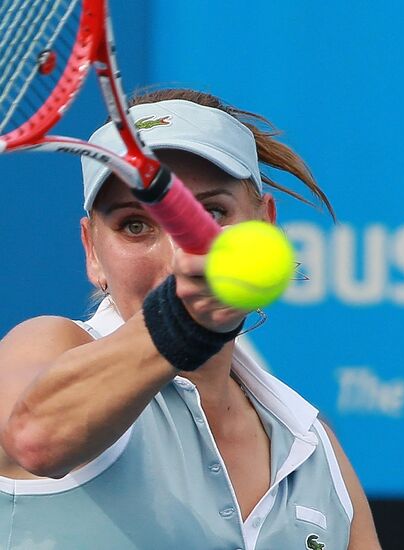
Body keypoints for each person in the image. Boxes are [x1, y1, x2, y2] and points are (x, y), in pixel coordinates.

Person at [0, 89, 381, 549]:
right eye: (134, 225)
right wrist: (177, 321)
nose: (179, 254)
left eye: (212, 212)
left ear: (265, 226)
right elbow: (35, 438)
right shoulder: (48, 346)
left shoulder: (314, 447)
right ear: (92, 252)